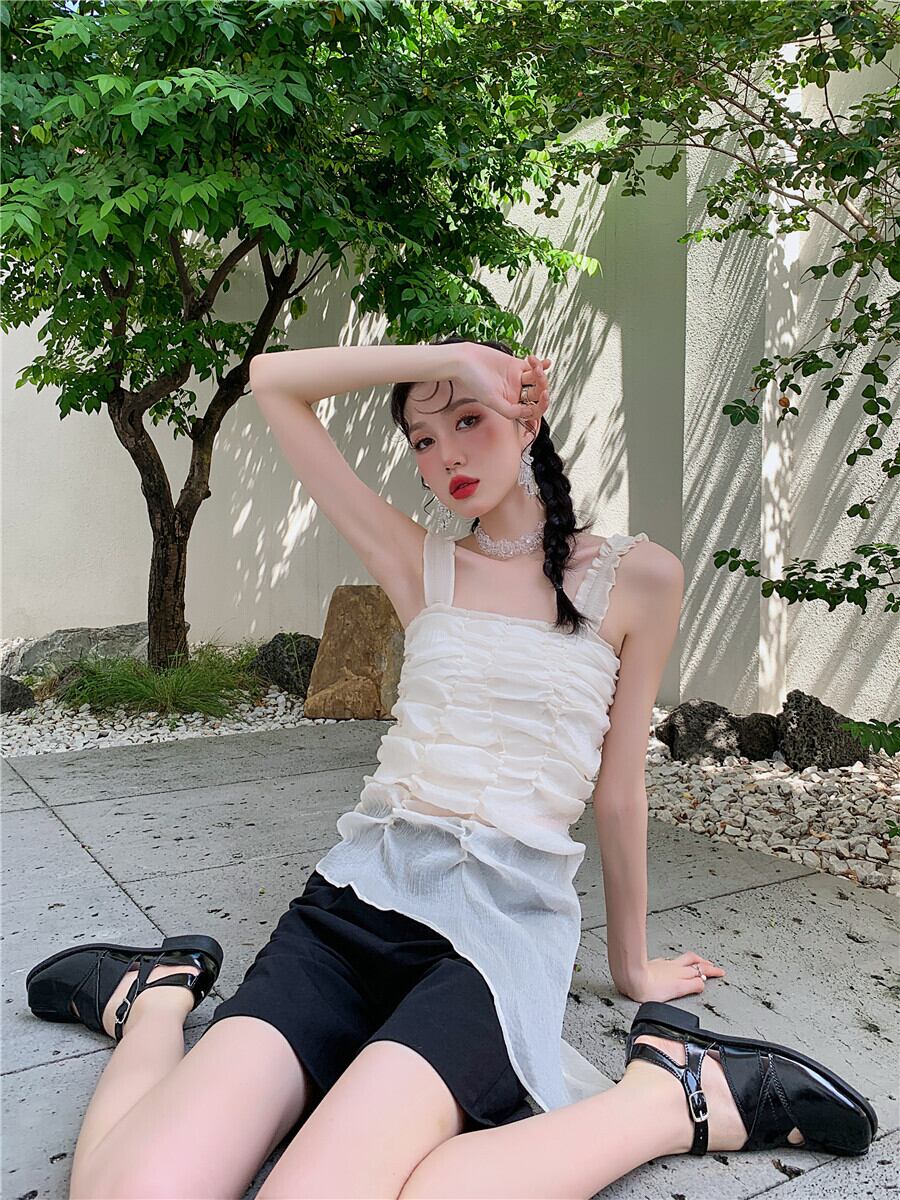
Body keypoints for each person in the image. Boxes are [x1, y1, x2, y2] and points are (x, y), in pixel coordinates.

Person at [26, 337, 877, 1200]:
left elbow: (619, 789)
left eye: (469, 420)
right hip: (350, 911)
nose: (447, 458)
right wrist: (453, 355)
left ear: (527, 417)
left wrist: (633, 966)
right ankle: (158, 998)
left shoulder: (639, 578)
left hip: (497, 935)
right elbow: (273, 382)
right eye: (424, 441)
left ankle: (670, 1095)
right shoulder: (419, 563)